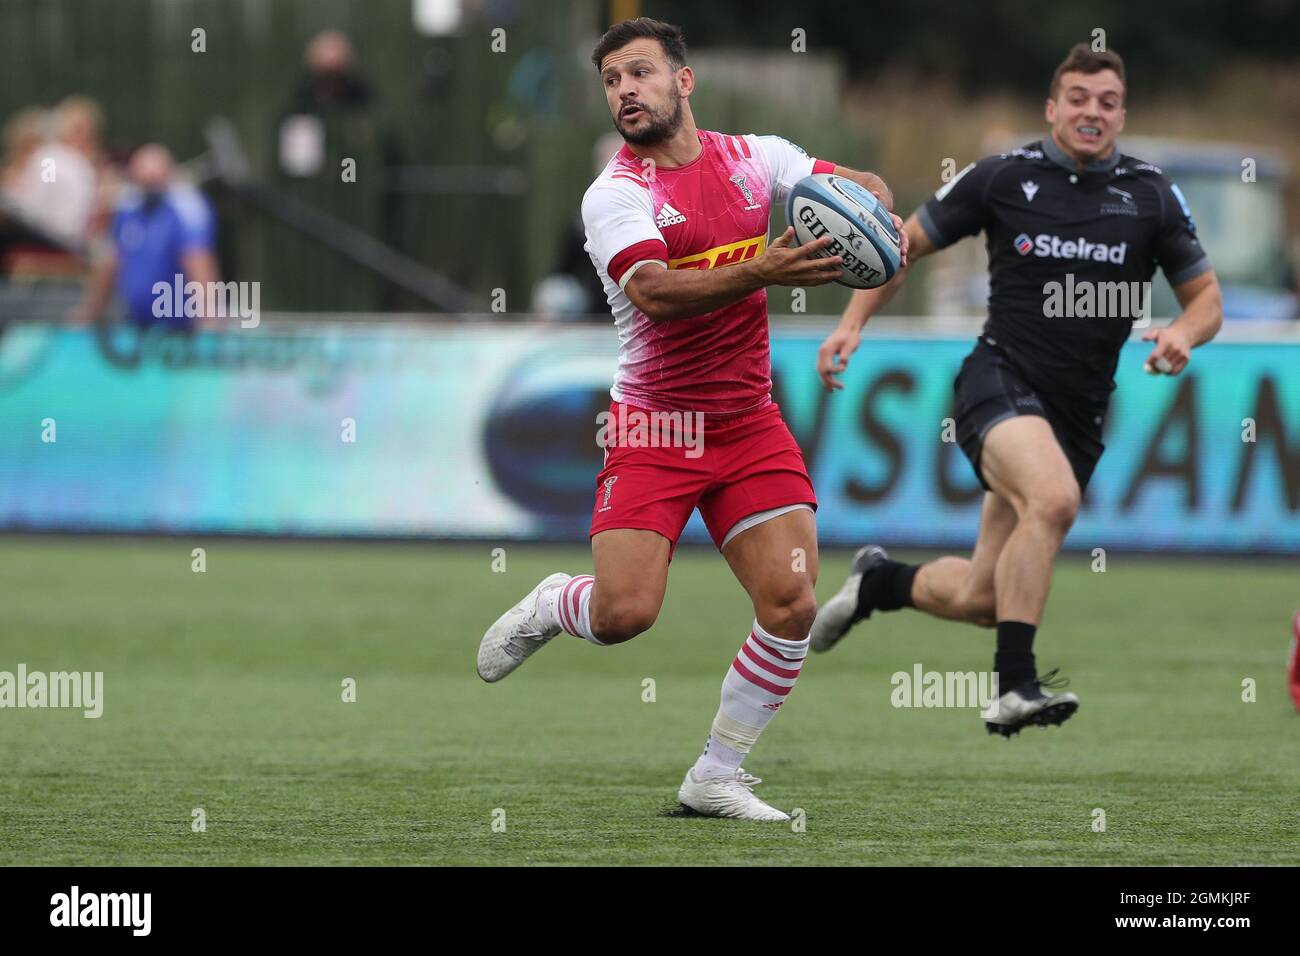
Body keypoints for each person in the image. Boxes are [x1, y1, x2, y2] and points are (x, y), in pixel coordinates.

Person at [476, 17, 905, 821]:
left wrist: (868, 212)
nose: (626, 91)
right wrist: (764, 267)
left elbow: (865, 186)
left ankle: (716, 773)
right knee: (625, 614)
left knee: (792, 602)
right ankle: (553, 604)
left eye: (639, 73)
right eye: (611, 81)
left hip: (746, 421)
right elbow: (655, 295)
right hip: (655, 426)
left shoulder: (759, 158)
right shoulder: (615, 193)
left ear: (684, 80)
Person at [809, 44, 1223, 737]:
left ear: (1122, 112)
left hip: (1079, 414)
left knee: (982, 596)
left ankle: (879, 583)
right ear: (1052, 107)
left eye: (1108, 101)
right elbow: (900, 246)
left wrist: (1185, 331)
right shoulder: (1003, 178)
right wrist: (851, 322)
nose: (1093, 111)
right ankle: (1014, 688)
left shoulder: (1151, 194)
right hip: (997, 381)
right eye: (1080, 98)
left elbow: (1207, 297)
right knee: (1053, 499)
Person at [71, 144, 219, 330]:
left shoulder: (184, 211)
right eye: (143, 181)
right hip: (136, 325)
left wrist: (208, 319)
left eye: (154, 180)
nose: (148, 187)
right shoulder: (128, 210)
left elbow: (198, 264)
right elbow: (110, 263)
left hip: (178, 332)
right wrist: (90, 312)